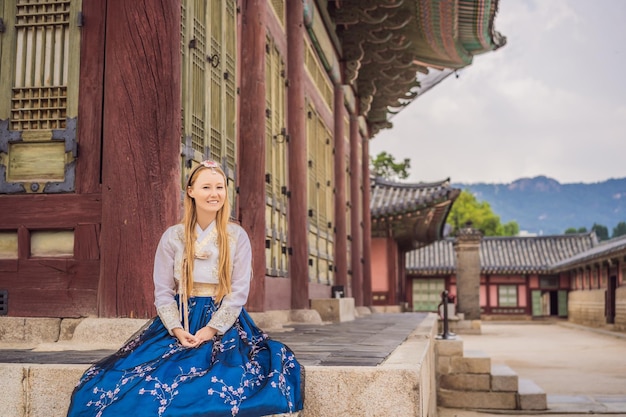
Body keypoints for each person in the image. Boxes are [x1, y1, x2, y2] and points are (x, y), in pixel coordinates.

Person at [67, 160, 304, 417]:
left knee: (219, 381)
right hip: (179, 318)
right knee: (134, 380)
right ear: (190, 191)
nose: (214, 194)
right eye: (206, 187)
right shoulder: (173, 236)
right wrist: (177, 330)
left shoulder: (236, 236)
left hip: (223, 321)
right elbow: (163, 291)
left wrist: (211, 329)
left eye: (220, 187)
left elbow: (238, 292)